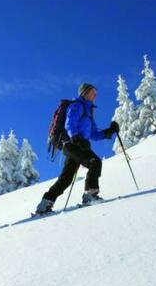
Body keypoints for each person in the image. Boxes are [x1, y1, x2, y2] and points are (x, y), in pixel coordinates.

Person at [34, 83, 119, 215]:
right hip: (72, 144)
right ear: (84, 93)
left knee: (66, 178)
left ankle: (45, 203)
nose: (95, 94)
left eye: (96, 92)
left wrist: (110, 131)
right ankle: (90, 195)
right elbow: (70, 123)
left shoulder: (88, 112)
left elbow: (94, 134)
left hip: (79, 144)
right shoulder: (77, 105)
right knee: (95, 162)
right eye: (92, 91)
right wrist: (75, 137)